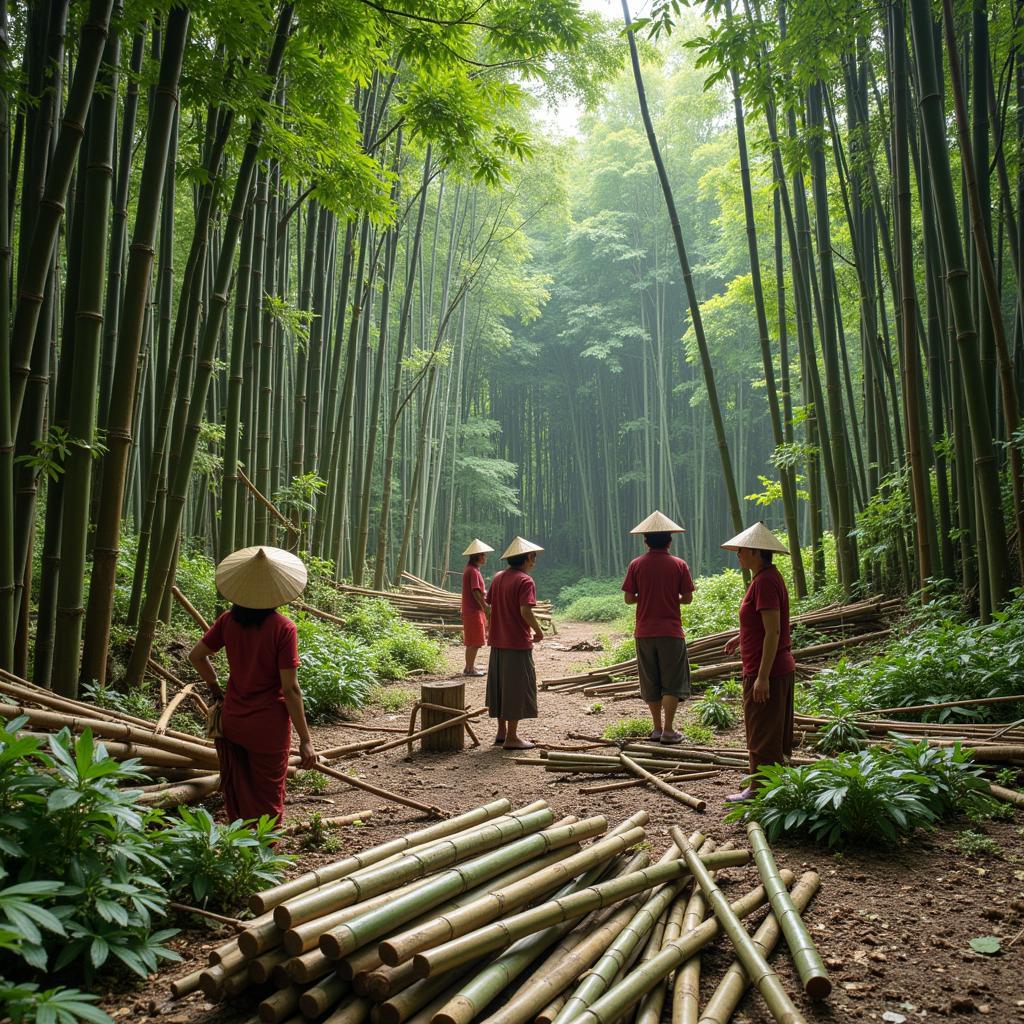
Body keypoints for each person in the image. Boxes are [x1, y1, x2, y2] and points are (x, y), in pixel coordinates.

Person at [188, 546, 317, 824]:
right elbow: (290, 689)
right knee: (269, 795)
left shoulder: (227, 621)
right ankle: (263, 856)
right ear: (277, 590)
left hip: (234, 721)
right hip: (268, 727)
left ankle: (240, 848)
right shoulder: (283, 628)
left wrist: (214, 687)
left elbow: (196, 656)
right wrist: (306, 740)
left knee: (239, 787)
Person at [720, 522, 796, 802]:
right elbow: (761, 625)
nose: (737, 554)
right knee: (767, 727)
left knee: (762, 729)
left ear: (754, 551)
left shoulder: (764, 581)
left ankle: (760, 789)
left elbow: (774, 631)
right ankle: (765, 779)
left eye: (741, 550)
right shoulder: (765, 577)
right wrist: (739, 638)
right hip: (773, 666)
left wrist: (762, 677)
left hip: (770, 669)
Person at [621, 510, 695, 744]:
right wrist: (671, 597)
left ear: (646, 541)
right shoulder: (679, 565)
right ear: (670, 541)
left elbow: (629, 599)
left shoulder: (636, 565)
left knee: (650, 680)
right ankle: (669, 731)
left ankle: (656, 728)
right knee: (672, 681)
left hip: (644, 632)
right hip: (671, 632)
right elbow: (688, 598)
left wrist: (646, 596)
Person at [486, 536, 544, 750]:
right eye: (534, 558)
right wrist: (538, 631)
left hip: (498, 642)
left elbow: (489, 605)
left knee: (500, 687)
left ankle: (501, 733)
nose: (534, 562)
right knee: (516, 688)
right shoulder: (525, 580)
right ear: (528, 557)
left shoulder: (499, 577)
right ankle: (512, 737)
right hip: (517, 643)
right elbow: (525, 610)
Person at [460, 539, 493, 676]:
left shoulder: (472, 569)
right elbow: (476, 591)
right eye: (483, 555)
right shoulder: (473, 571)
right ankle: (469, 669)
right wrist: (485, 606)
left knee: (473, 641)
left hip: (472, 610)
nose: (485, 557)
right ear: (478, 556)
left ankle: (469, 667)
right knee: (475, 641)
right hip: (473, 611)